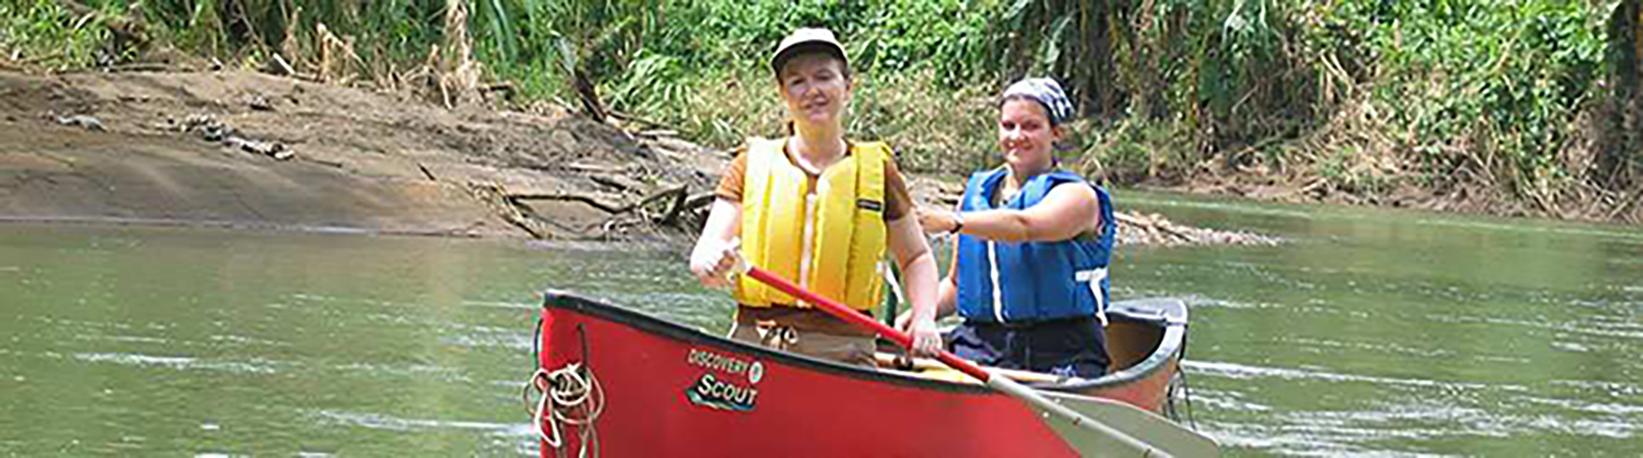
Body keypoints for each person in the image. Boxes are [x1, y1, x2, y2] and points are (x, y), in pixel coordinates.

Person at [688, 28, 943, 366]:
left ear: (848, 87)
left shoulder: (878, 171)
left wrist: (924, 317)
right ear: (782, 93)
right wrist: (712, 264)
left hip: (845, 348)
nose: (812, 91)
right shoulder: (749, 164)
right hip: (755, 345)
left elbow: (916, 257)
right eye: (797, 81)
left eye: (824, 77)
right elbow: (704, 257)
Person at [900, 77, 1116, 378]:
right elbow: (956, 285)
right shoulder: (976, 196)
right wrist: (921, 315)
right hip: (981, 346)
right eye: (1008, 126)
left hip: (1062, 348)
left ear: (1056, 132)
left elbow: (1025, 226)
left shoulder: (1078, 196)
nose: (1017, 136)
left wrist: (952, 222)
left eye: (1030, 126)